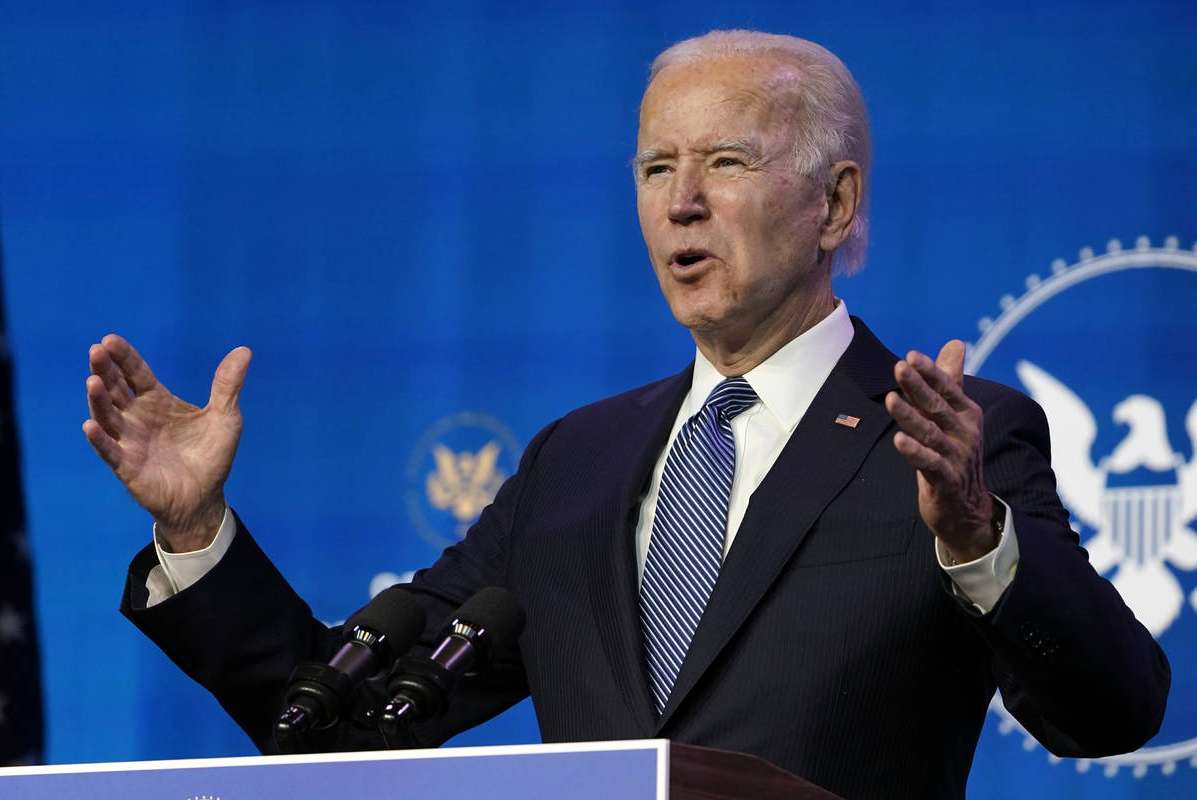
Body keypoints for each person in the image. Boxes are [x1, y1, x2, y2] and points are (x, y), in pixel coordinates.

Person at [84, 30, 1168, 799]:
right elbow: (344, 724)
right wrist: (196, 532)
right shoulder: (579, 460)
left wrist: (979, 540)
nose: (679, 200)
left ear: (833, 202)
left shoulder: (952, 438)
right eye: (656, 166)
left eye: (724, 162)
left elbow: (1113, 709)